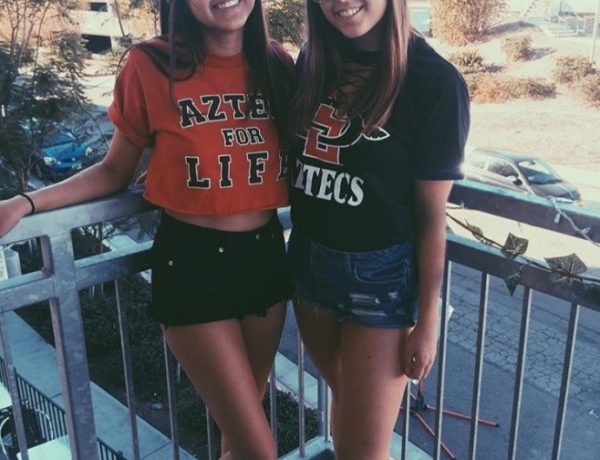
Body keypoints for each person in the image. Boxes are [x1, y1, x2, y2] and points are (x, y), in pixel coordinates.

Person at [0, 0, 295, 458]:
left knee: (240, 435)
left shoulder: (277, 64)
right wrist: (27, 201)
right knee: (260, 448)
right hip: (195, 266)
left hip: (266, 258)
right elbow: (113, 171)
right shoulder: (152, 64)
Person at [287, 0, 470, 458]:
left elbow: (432, 217)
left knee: (363, 451)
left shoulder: (435, 81)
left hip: (381, 281)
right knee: (347, 414)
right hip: (309, 267)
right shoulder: (314, 59)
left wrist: (427, 322)